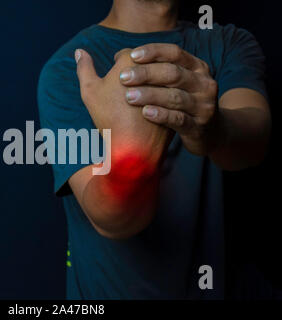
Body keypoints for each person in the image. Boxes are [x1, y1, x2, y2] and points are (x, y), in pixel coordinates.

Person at [37, 0, 271, 299]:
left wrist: (211, 129)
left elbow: (253, 142)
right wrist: (133, 150)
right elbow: (116, 219)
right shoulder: (70, 69)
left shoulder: (228, 43)